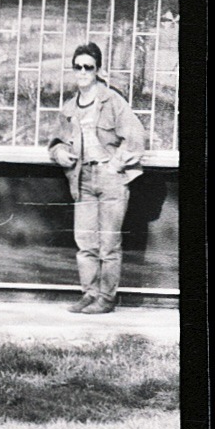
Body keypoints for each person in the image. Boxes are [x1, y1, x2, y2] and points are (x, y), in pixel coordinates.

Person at [46, 42, 146, 314]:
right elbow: (55, 142)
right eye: (77, 67)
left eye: (88, 67)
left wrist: (115, 164)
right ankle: (89, 295)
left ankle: (106, 298)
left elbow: (135, 138)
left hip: (110, 178)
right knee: (85, 242)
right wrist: (60, 154)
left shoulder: (112, 101)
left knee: (109, 243)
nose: (82, 72)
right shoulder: (69, 108)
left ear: (98, 70)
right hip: (82, 179)